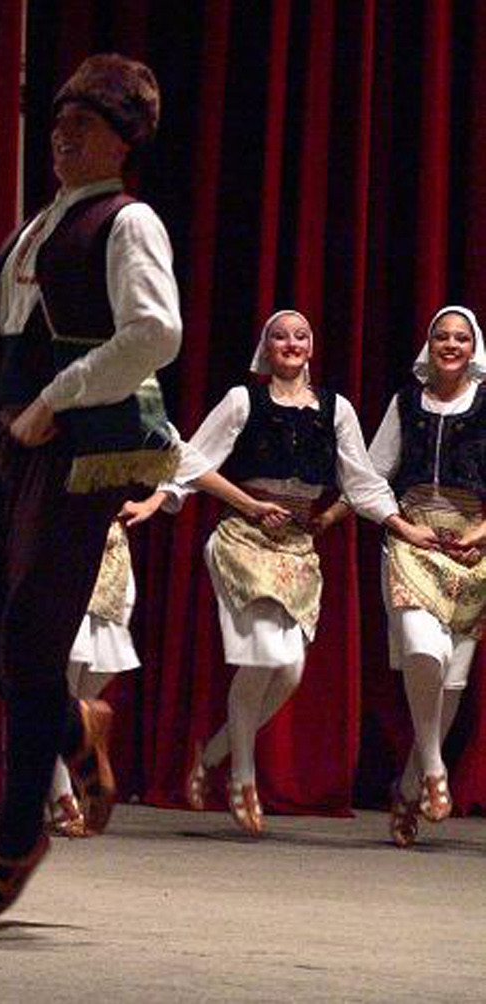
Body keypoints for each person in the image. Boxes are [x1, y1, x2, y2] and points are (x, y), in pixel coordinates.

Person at [0, 54, 181, 924]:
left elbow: (155, 333)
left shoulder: (126, 221)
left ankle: (17, 833)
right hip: (3, 441)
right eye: (58, 121)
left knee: (30, 640)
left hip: (72, 452)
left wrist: (57, 398)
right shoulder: (29, 231)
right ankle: (72, 725)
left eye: (82, 124)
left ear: (122, 139)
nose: (61, 136)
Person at [126, 309, 433, 836]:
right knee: (265, 654)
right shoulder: (243, 400)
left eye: (300, 336)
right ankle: (242, 777)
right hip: (243, 540)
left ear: (311, 347)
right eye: (280, 337)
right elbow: (192, 459)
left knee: (289, 670)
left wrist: (402, 527)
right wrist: (161, 501)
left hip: (296, 548)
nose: (290, 344)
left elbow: (361, 481)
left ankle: (214, 753)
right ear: (266, 348)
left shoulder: (336, 409)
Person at [365, 307, 486, 846]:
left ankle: (410, 784)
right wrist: (399, 524)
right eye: (442, 336)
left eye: (461, 337)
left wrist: (481, 533)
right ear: (429, 344)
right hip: (413, 541)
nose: (451, 345)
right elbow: (371, 475)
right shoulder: (405, 404)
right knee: (422, 649)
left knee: (451, 679)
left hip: (471, 550)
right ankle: (435, 768)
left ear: (473, 348)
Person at [46, 516, 142, 837]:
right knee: (62, 672)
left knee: (85, 673)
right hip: (59, 533)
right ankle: (61, 793)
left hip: (105, 545)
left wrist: (152, 499)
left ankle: (74, 738)